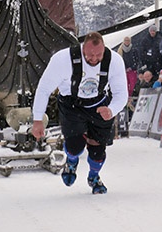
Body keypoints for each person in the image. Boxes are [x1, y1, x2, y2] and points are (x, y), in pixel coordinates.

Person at [31, 32, 128, 194]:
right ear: (83, 48)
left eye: (99, 55)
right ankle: (71, 161)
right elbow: (44, 89)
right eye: (90, 55)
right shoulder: (63, 59)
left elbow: (121, 94)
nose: (94, 59)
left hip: (99, 105)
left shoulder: (114, 61)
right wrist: (37, 119)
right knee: (75, 146)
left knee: (97, 151)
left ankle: (94, 177)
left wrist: (111, 109)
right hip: (71, 104)